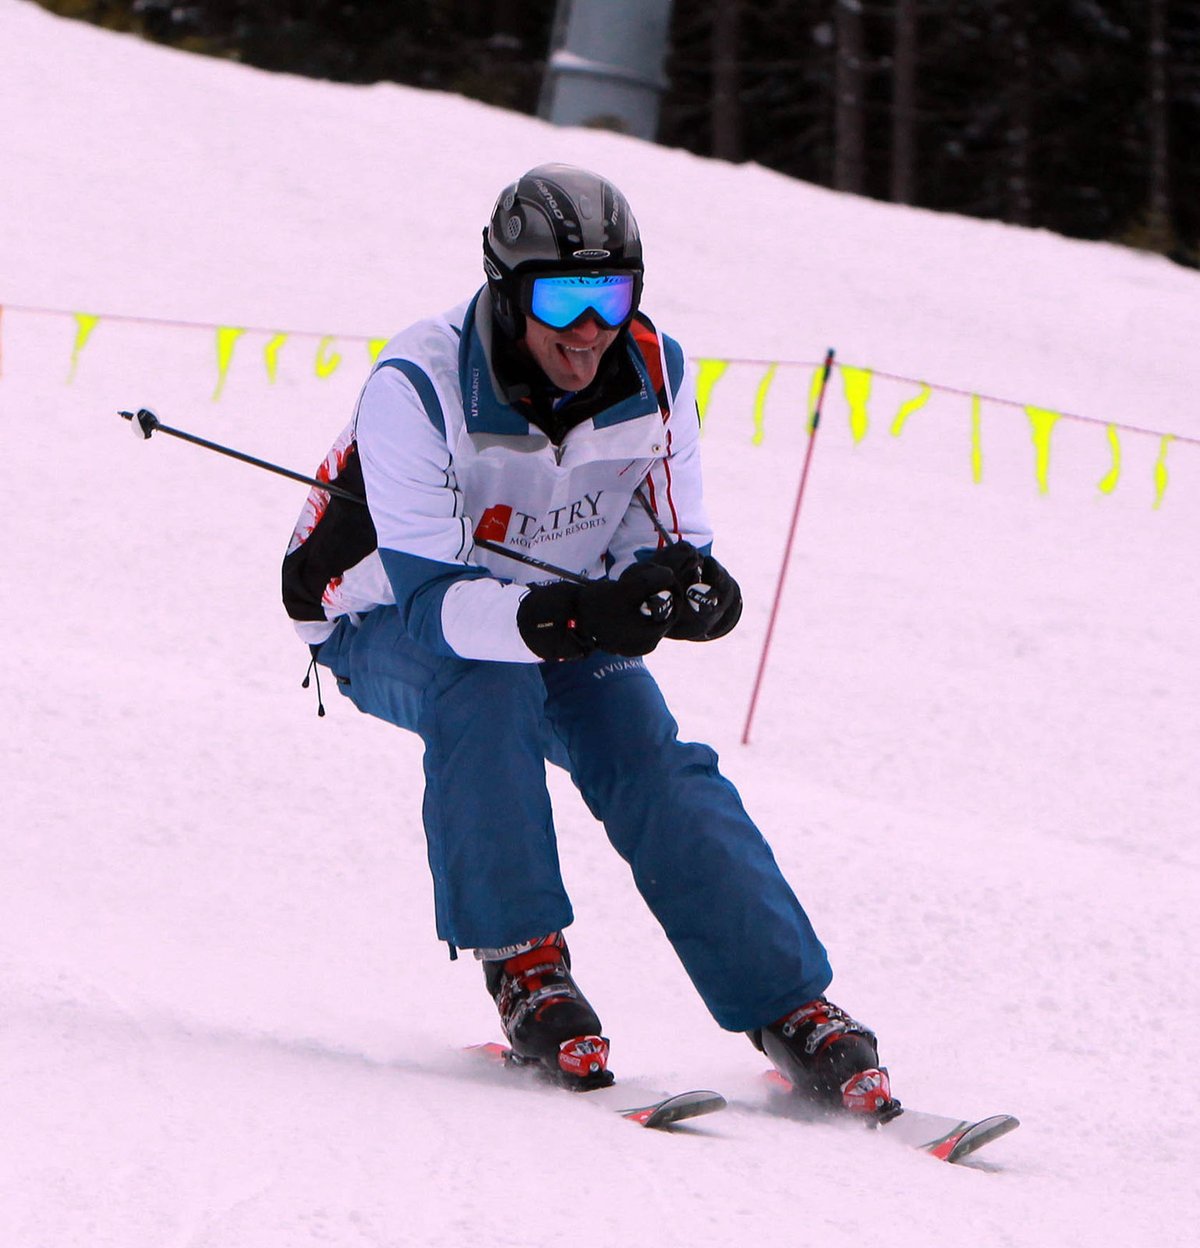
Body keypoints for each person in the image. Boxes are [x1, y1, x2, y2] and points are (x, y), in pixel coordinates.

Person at [282, 163, 890, 1114]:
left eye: (610, 293)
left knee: (651, 759)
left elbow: (667, 537)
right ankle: (528, 966)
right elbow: (439, 603)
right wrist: (572, 615)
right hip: (380, 615)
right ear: (506, 290)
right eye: (562, 296)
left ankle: (790, 1005)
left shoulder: (655, 373)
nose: (589, 327)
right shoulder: (423, 384)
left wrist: (683, 589)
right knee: (485, 689)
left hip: (545, 617)